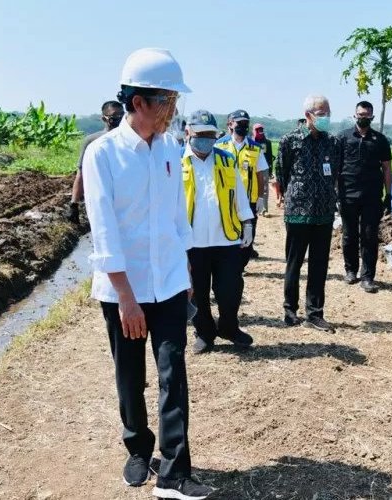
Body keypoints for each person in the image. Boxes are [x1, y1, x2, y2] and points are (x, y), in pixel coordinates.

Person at [82, 48, 213, 499]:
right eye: (166, 102)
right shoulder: (103, 155)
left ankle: (175, 473)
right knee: (130, 373)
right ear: (138, 101)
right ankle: (139, 448)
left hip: (171, 283)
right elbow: (105, 231)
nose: (172, 111)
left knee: (173, 372)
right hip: (127, 289)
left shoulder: (171, 149)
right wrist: (126, 297)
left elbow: (178, 219)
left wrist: (189, 272)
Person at [182, 110, 255, 354]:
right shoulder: (177, 162)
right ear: (188, 132)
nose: (205, 139)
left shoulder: (226, 159)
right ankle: (204, 333)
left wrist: (247, 222)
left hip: (225, 238)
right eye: (200, 134)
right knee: (198, 293)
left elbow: (240, 194)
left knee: (230, 289)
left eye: (210, 135)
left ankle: (229, 327)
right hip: (192, 242)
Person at [275, 95, 341, 332]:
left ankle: (314, 313)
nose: (326, 117)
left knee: (319, 264)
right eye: (321, 113)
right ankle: (290, 310)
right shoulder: (290, 140)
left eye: (328, 112)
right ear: (308, 115)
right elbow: (281, 171)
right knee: (294, 263)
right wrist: (290, 194)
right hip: (297, 212)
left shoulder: (332, 142)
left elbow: (335, 172)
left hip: (323, 212)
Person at [338, 101, 392, 293]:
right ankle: (351, 270)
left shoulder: (380, 140)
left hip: (371, 196)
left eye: (367, 116)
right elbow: (336, 166)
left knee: (369, 236)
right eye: (361, 115)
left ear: (372, 117)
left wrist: (389, 194)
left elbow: (386, 167)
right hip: (347, 194)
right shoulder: (343, 137)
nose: (364, 118)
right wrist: (334, 192)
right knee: (349, 235)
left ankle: (368, 276)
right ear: (355, 115)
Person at [216, 110, 269, 266]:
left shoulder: (255, 148)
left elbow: (260, 175)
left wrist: (261, 197)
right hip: (226, 199)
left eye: (246, 123)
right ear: (231, 124)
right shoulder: (220, 145)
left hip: (249, 200)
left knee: (248, 233)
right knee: (228, 230)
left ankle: (242, 263)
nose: (243, 126)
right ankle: (230, 263)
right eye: (240, 123)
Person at [68, 101, 124, 224]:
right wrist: (74, 204)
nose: (119, 119)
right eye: (115, 116)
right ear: (104, 118)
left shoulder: (131, 140)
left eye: (122, 115)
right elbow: (81, 173)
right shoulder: (92, 141)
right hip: (102, 198)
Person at [252, 123, 274, 216]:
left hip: (264, 168)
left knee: (265, 188)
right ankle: (254, 208)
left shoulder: (267, 142)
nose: (260, 131)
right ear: (253, 131)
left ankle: (264, 209)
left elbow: (270, 157)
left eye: (261, 129)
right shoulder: (250, 142)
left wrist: (270, 170)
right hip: (252, 167)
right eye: (257, 129)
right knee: (253, 187)